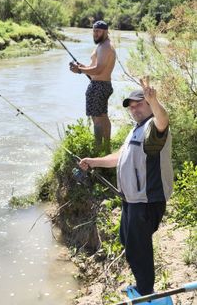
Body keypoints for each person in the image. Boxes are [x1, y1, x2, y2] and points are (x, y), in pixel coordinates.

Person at [79, 77, 174, 296]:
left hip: (146, 200)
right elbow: (120, 156)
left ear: (149, 104)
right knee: (127, 240)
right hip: (130, 200)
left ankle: (146, 292)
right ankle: (142, 286)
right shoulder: (136, 129)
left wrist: (155, 101)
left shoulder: (153, 127)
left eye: (138, 103)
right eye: (131, 106)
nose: (134, 109)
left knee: (139, 248)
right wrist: (94, 161)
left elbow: (163, 120)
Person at [69, 20, 116, 149]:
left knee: (97, 120)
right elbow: (94, 69)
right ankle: (106, 147)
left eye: (98, 31)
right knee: (103, 116)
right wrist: (81, 67)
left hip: (99, 87)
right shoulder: (103, 45)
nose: (95, 33)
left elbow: (99, 69)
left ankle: (98, 148)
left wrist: (80, 70)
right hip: (102, 85)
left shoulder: (105, 46)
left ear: (106, 31)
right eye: (94, 31)